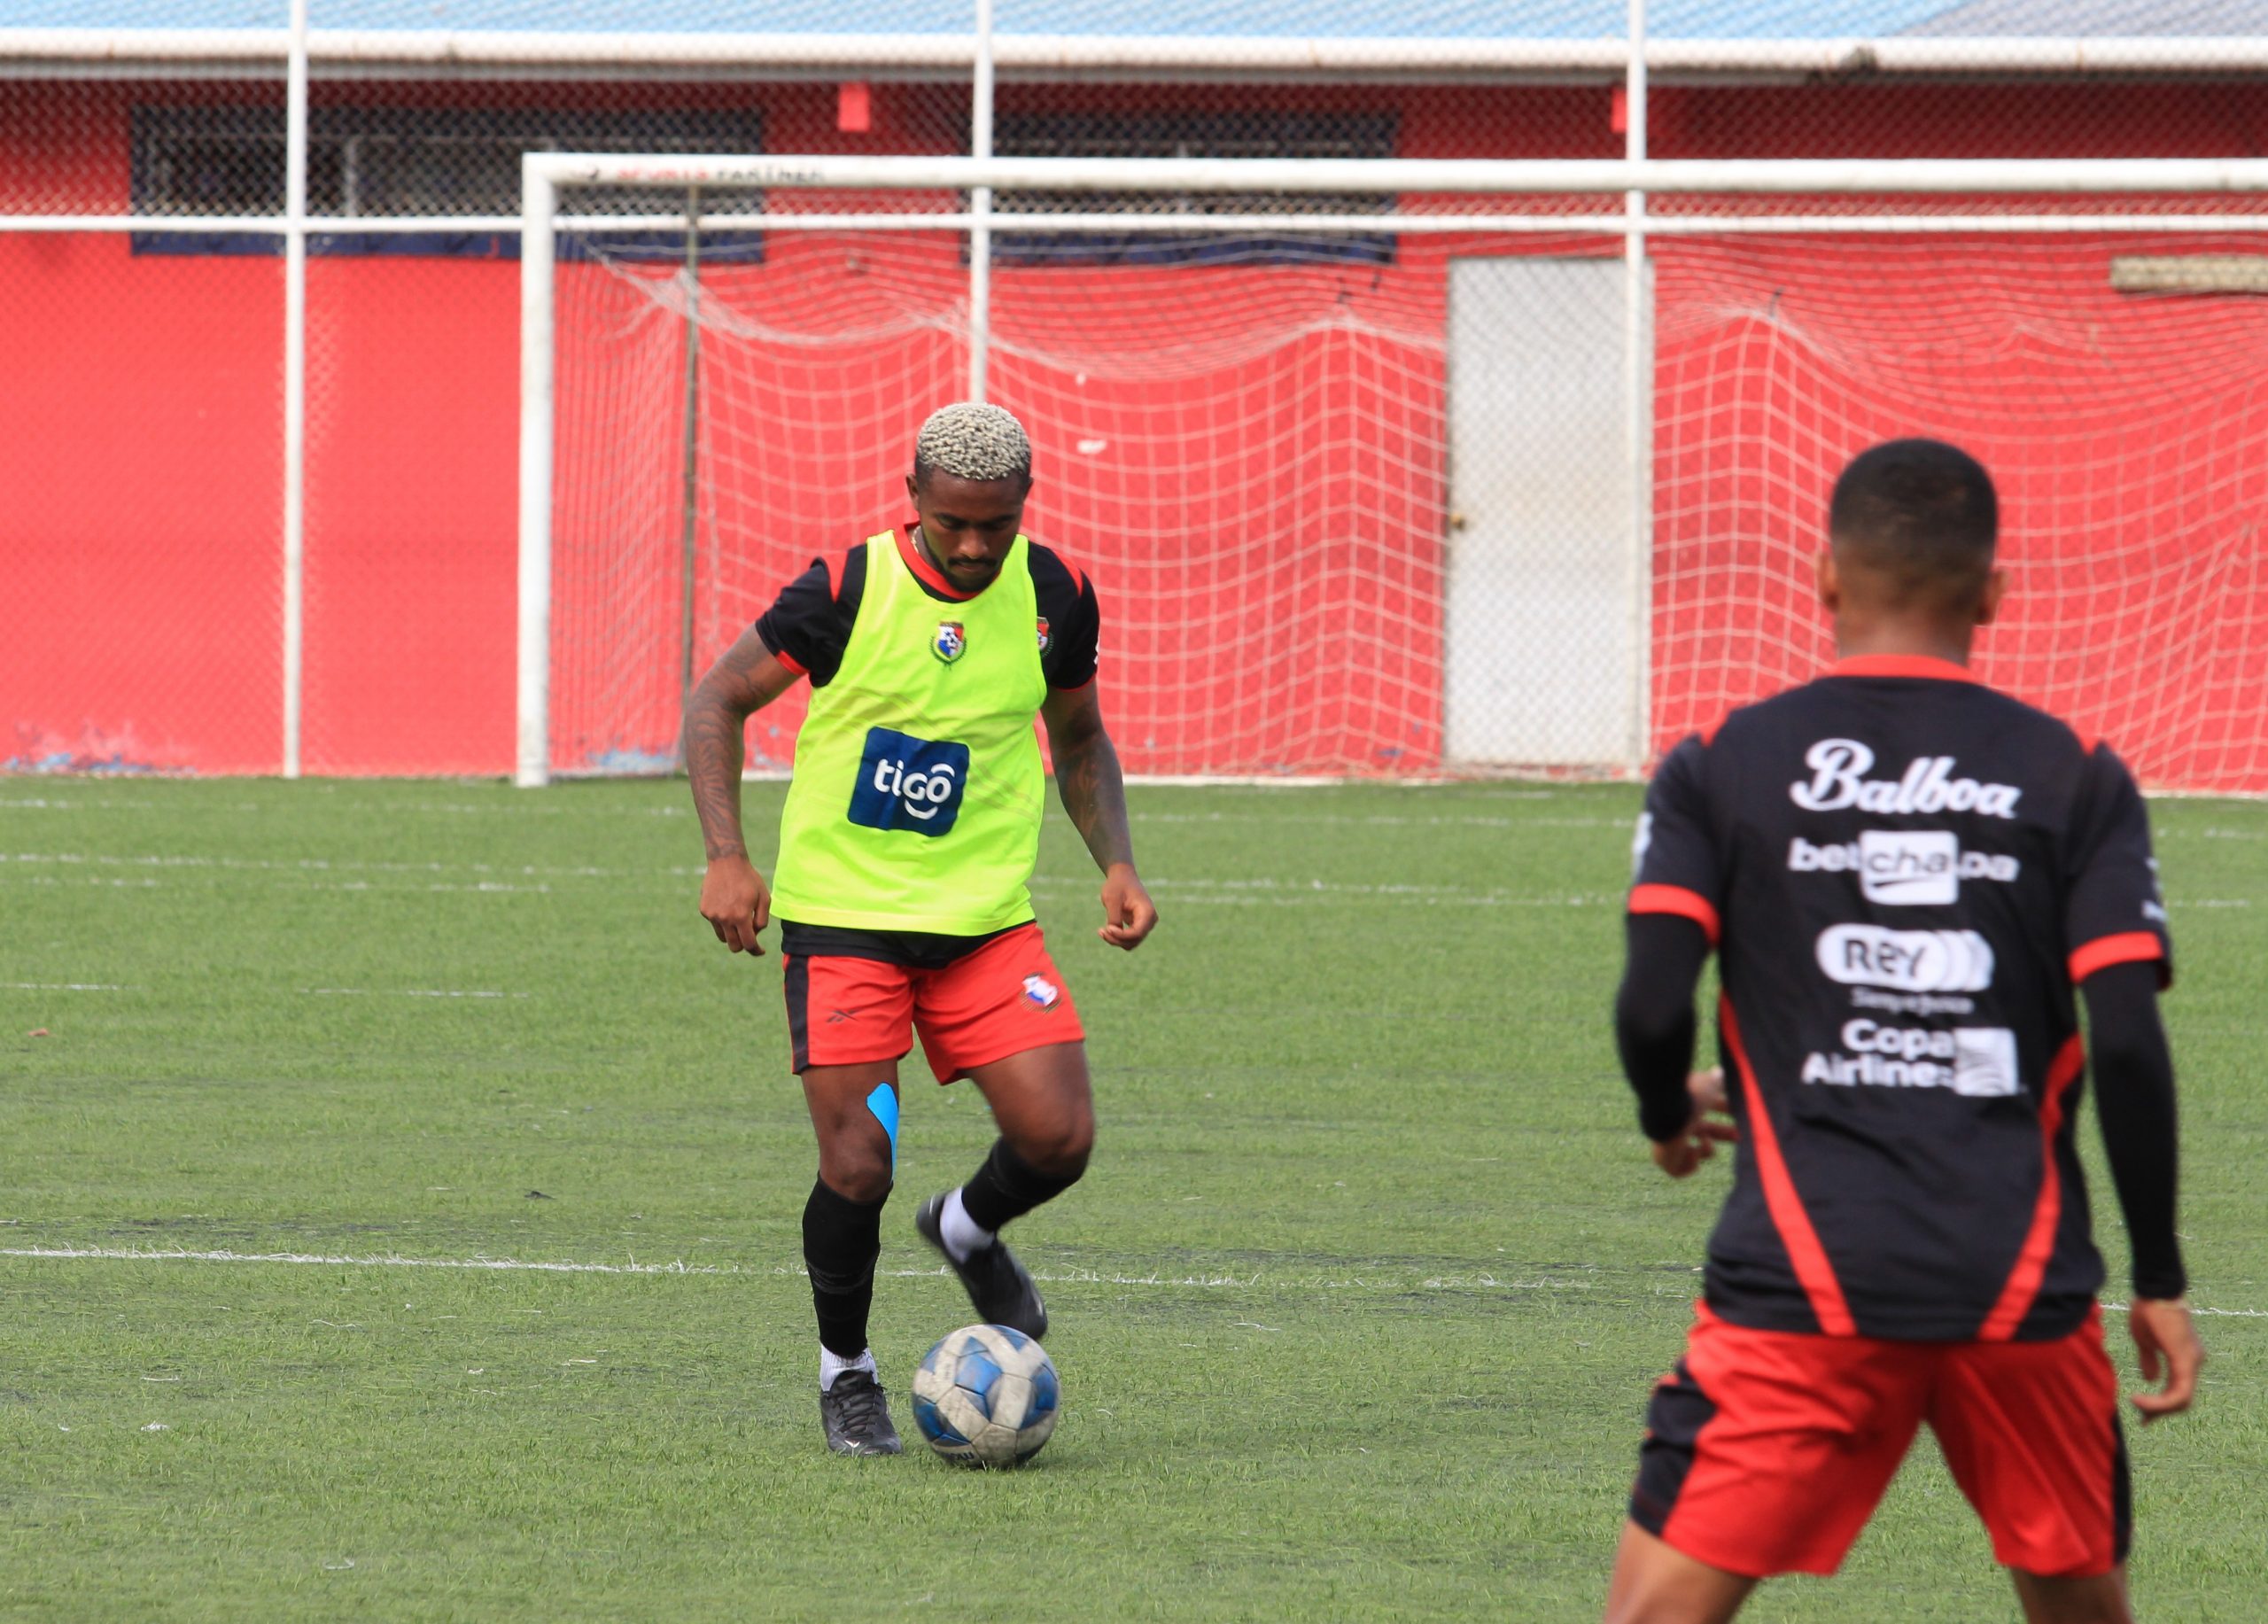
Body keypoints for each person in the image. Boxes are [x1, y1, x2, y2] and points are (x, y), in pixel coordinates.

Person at [1605, 439, 2203, 1624]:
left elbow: (1651, 1006)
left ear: (1827, 578)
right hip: (2020, 1281)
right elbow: (2129, 1043)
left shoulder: (1721, 765)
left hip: (1801, 1278)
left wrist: (1668, 1110)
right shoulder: (2078, 776)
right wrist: (2160, 1278)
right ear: (1992, 594)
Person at [682, 401, 1159, 1457]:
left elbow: (1080, 738)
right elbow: (716, 700)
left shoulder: (1055, 595)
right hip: (843, 927)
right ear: (913, 500)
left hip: (983, 927)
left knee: (1059, 1138)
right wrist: (726, 855)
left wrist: (1117, 863)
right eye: (953, 524)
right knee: (858, 1165)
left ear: (1025, 505)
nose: (976, 545)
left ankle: (966, 1226)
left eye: (997, 523)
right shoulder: (845, 590)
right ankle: (845, 1370)